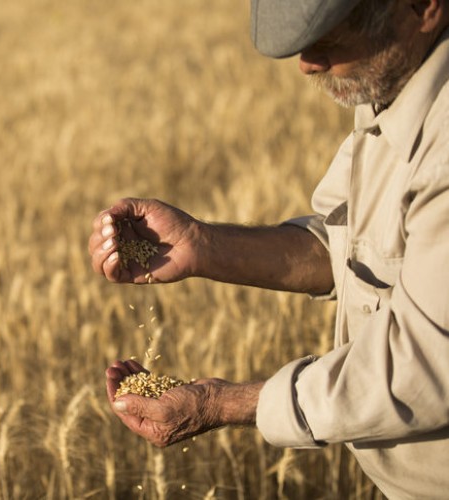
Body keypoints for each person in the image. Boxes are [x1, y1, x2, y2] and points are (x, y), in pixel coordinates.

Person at [88, 0, 449, 497]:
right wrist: (203, 245)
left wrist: (219, 403)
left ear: (421, 7)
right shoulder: (396, 79)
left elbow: (420, 368)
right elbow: (351, 251)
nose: (306, 64)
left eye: (326, 39)